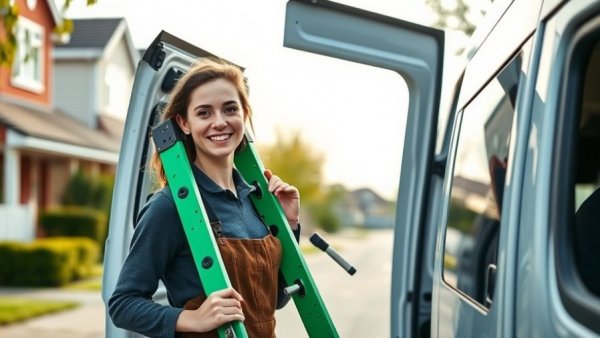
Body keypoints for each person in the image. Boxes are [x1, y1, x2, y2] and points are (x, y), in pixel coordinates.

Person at [108, 58, 301, 338]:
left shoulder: (259, 201)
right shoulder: (171, 205)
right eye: (204, 113)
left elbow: (274, 300)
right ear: (183, 123)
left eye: (230, 109)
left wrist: (290, 223)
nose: (219, 122)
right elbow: (123, 304)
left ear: (244, 115)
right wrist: (191, 319)